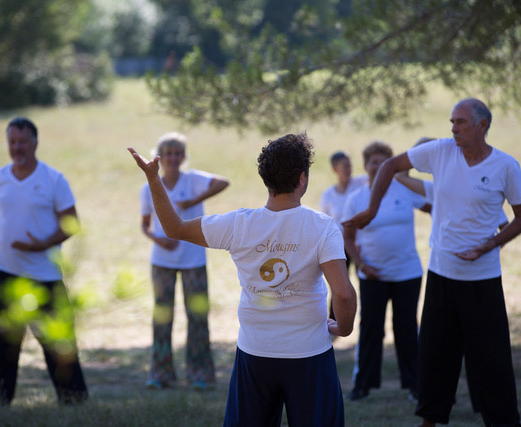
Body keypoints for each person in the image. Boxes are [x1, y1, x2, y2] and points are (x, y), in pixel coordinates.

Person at [129, 132, 357, 427]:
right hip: (309, 354)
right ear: (302, 179)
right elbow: (344, 294)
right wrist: (344, 328)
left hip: (254, 353)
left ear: (266, 178)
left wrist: (153, 178)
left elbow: (173, 228)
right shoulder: (322, 227)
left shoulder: (238, 224)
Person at [343, 98, 521, 426]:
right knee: (434, 356)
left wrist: (489, 245)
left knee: (491, 360)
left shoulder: (505, 166)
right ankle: (429, 420)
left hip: (483, 280)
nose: (453, 128)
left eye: (460, 122)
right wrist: (372, 210)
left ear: (482, 125)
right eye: (451, 122)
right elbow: (389, 166)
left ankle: (501, 420)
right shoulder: (441, 152)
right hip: (441, 276)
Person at [0, 117, 88, 405]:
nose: (17, 147)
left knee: (59, 343)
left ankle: (73, 399)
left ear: (35, 142)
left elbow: (71, 224)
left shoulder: (53, 179)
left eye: (23, 141)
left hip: (45, 276)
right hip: (4, 274)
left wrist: (40, 245)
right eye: (12, 142)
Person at [139, 132, 229, 390]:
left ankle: (200, 374)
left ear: (183, 157)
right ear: (160, 156)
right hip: (162, 260)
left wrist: (193, 201)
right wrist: (159, 240)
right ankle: (160, 374)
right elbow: (144, 225)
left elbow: (223, 182)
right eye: (168, 153)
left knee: (198, 317)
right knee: (162, 316)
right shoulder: (150, 186)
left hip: (193, 258)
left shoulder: (193, 180)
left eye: (178, 153)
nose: (173, 158)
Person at [342, 141, 430, 403]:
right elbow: (347, 236)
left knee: (406, 329)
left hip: (408, 273)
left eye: (383, 161)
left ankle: (415, 386)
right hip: (372, 276)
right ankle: (363, 385)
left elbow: (436, 207)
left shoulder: (405, 190)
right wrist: (362, 265)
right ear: (366, 165)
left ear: (390, 166)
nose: (377, 166)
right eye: (372, 161)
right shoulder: (356, 198)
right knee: (371, 329)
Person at [319, 151, 367, 320]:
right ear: (335, 169)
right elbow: (324, 222)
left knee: (365, 283)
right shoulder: (328, 195)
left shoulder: (362, 183)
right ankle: (334, 320)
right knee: (338, 285)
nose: (348, 169)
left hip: (360, 243)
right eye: (344, 166)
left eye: (349, 165)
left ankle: (364, 319)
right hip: (338, 246)